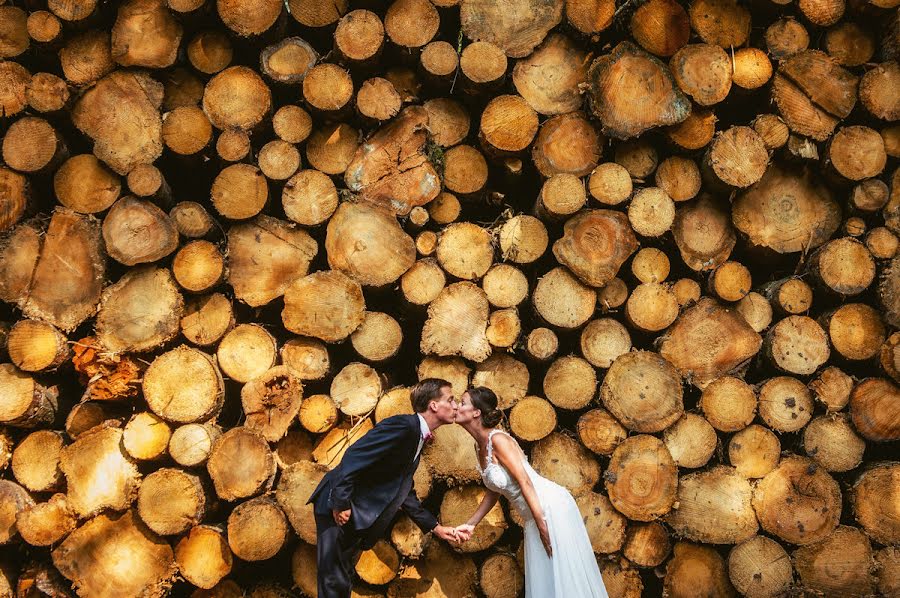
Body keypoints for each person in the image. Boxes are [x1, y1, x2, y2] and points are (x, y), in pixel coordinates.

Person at [307, 378, 461, 598]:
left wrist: (436, 528)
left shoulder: (415, 435)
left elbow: (404, 491)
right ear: (434, 405)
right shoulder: (403, 426)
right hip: (339, 509)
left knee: (341, 584)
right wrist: (340, 503)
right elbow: (353, 457)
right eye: (451, 399)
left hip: (354, 517)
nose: (456, 406)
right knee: (333, 585)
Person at [453, 386, 609, 597]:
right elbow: (494, 491)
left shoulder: (498, 440)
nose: (457, 406)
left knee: (564, 577)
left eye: (462, 403)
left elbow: (524, 481)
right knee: (547, 581)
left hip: (548, 507)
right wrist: (471, 524)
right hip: (533, 515)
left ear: (476, 412)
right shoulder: (479, 446)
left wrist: (542, 523)